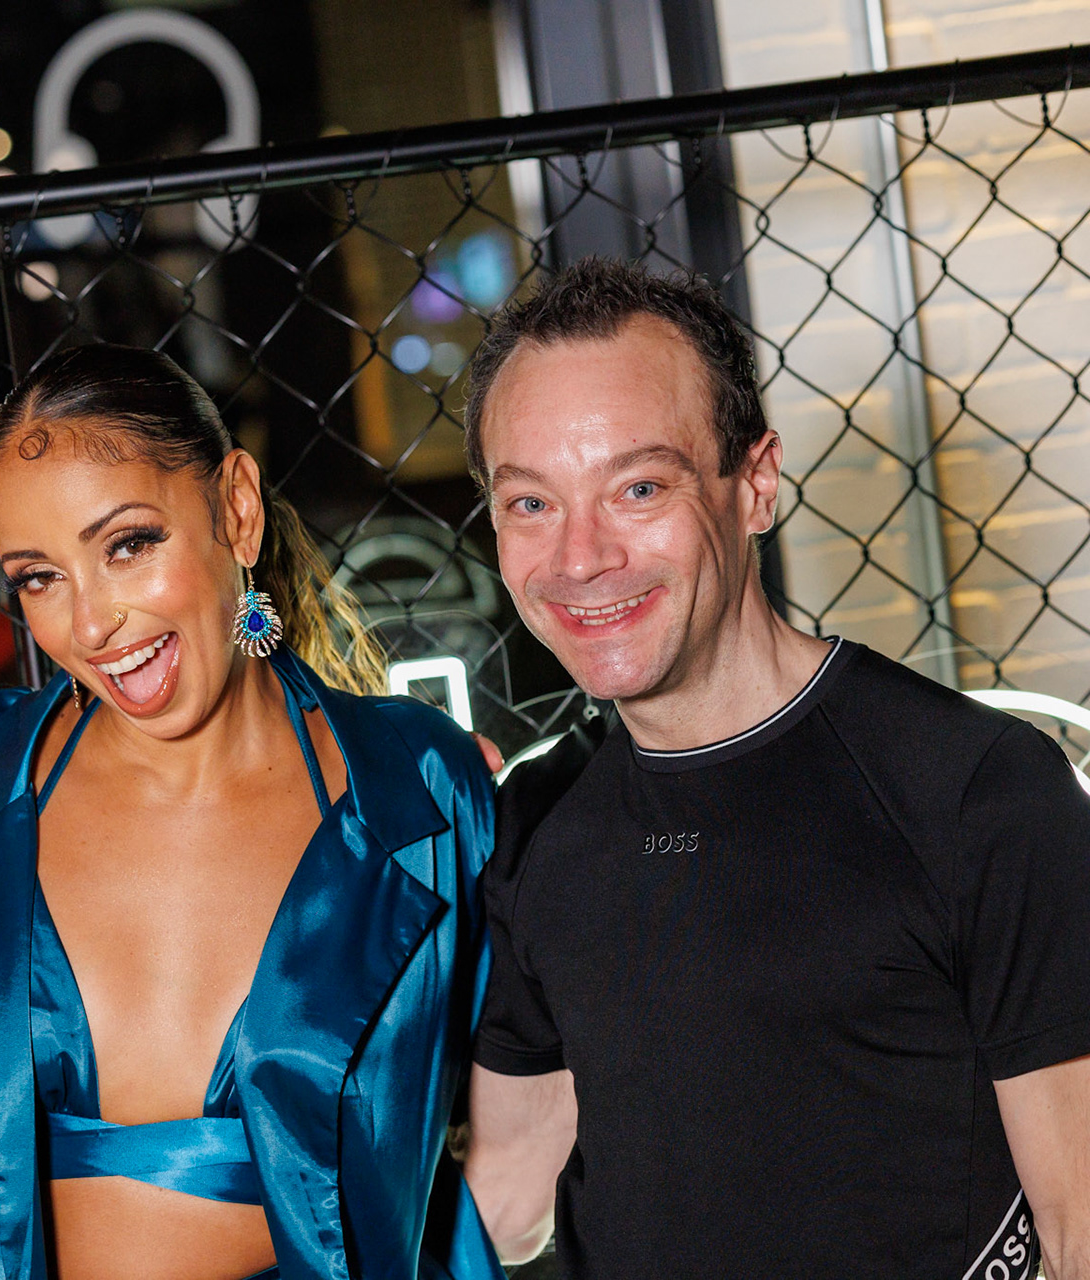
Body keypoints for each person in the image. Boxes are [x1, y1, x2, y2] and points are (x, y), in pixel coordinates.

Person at [457, 259, 1090, 1279]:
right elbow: (505, 1194)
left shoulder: (975, 790)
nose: (579, 557)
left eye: (639, 488)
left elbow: (1079, 1224)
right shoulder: (534, 817)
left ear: (754, 484)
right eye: (531, 502)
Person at [0, 344, 504, 1280]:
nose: (90, 624)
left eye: (127, 545)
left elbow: (514, 1106)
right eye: (39, 577)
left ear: (236, 508)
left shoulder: (417, 788)